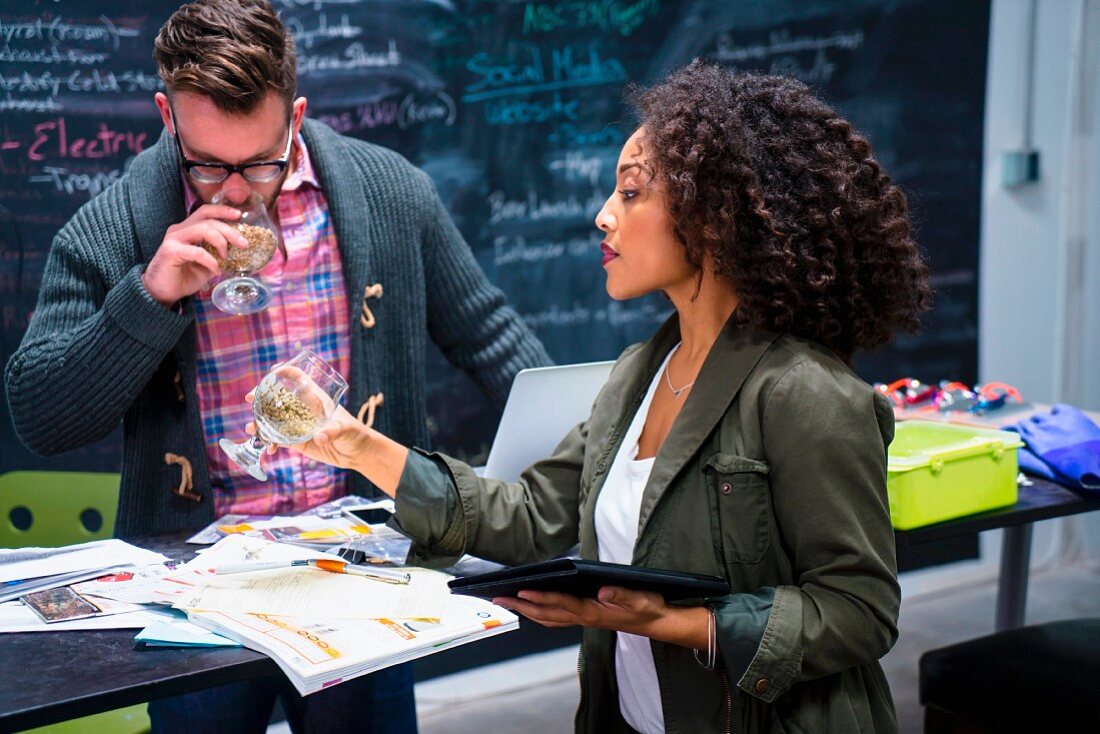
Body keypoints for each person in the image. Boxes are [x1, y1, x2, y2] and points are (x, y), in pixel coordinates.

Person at [264, 61, 932, 733]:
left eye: (632, 193)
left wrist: (674, 622)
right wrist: (354, 443)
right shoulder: (639, 375)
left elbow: (860, 609)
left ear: (712, 214)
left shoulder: (805, 396)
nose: (603, 216)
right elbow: (532, 517)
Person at [4, 1, 549, 732]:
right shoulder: (115, 226)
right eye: (206, 165)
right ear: (168, 116)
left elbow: (486, 336)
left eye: (260, 162)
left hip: (366, 573)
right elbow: (39, 415)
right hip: (194, 593)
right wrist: (149, 296)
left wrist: (581, 456)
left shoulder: (387, 191)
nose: (234, 192)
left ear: (296, 114)